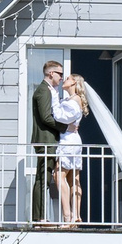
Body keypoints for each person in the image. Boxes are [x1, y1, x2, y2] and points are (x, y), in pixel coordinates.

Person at [30, 58, 66, 222]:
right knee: (43, 178)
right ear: (51, 73)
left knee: (42, 177)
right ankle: (40, 218)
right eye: (60, 74)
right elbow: (45, 117)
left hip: (48, 140)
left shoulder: (48, 90)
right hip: (45, 140)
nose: (61, 78)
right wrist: (65, 127)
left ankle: (39, 216)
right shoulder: (44, 90)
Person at [51, 72, 88, 225]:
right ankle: (76, 215)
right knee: (73, 178)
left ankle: (68, 215)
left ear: (73, 83)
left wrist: (53, 100)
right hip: (72, 140)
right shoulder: (71, 100)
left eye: (67, 78)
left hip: (69, 142)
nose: (63, 80)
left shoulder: (73, 101)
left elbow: (61, 117)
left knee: (58, 176)